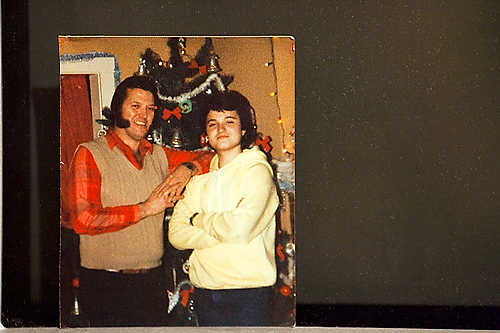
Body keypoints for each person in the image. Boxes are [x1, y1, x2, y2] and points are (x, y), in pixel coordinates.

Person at [66, 75, 213, 327]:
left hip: (151, 283)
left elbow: (211, 157)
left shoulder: (157, 154)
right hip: (106, 286)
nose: (144, 115)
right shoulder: (89, 153)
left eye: (150, 108)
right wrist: (145, 209)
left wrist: (186, 168)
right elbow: (83, 220)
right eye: (135, 106)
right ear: (117, 108)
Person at [168, 90, 279, 326]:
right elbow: (176, 235)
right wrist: (224, 230)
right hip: (206, 292)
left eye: (229, 121)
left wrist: (198, 219)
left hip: (248, 294)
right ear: (205, 135)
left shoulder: (258, 173)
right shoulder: (199, 182)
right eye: (213, 124)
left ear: (244, 129)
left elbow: (238, 229)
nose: (221, 130)